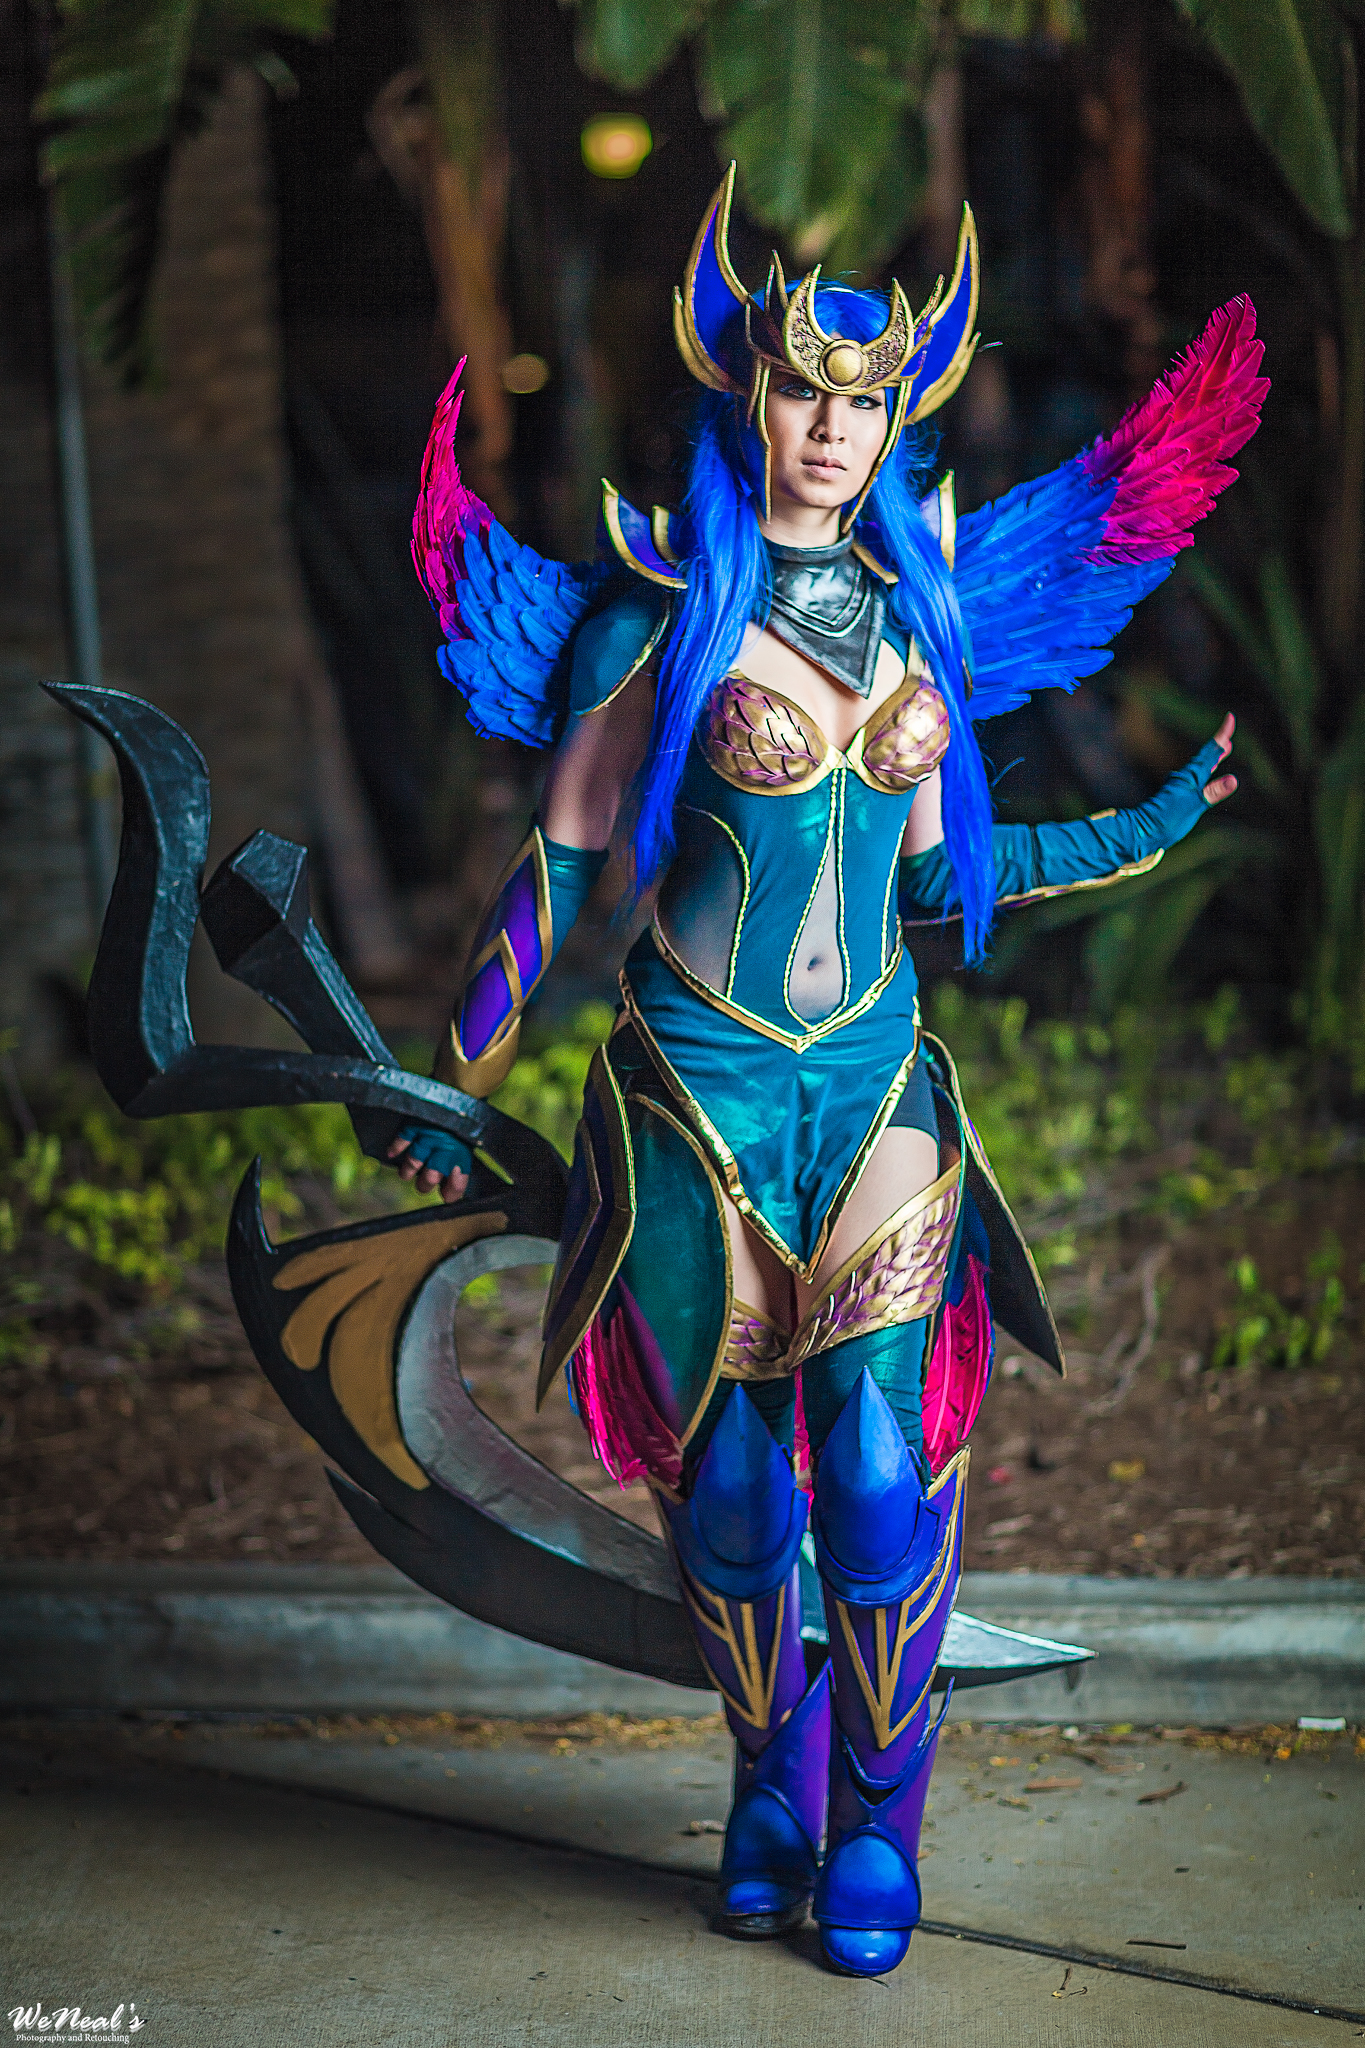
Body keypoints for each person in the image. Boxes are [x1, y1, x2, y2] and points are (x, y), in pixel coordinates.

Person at [389, 168, 1265, 1977]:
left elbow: (944, 880)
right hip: (691, 1089)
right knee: (732, 1500)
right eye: (802, 391)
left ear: (896, 421)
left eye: (864, 402)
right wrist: (450, 1075)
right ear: (750, 395)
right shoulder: (650, 622)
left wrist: (1145, 825)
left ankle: (879, 1812)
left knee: (871, 1471)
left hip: (869, 1082)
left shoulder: (922, 612)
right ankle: (767, 1783)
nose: (831, 428)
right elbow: (557, 867)